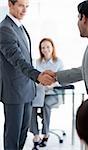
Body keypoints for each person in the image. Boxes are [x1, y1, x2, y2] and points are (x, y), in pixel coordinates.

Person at [0, 0, 55, 150]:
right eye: (20, 5)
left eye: (27, 6)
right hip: (14, 91)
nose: (24, 10)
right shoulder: (5, 29)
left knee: (23, 133)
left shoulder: (20, 27)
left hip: (27, 90)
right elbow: (17, 60)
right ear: (10, 5)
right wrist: (37, 76)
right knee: (13, 135)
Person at [46, 0, 88, 99]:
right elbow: (86, 70)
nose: (77, 23)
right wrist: (57, 76)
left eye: (78, 18)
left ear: (84, 19)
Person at [30, 38, 64, 150]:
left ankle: (46, 133)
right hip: (39, 93)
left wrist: (51, 85)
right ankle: (36, 135)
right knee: (31, 106)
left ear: (52, 48)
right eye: (43, 47)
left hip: (53, 93)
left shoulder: (58, 62)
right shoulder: (37, 62)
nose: (45, 49)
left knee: (45, 104)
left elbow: (61, 80)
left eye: (48, 47)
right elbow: (34, 78)